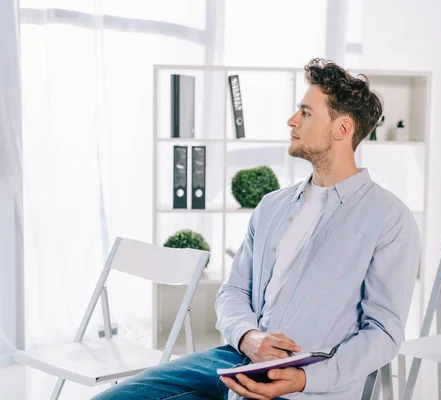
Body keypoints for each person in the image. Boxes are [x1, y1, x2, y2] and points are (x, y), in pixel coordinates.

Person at [93, 58, 421, 400]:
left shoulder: (388, 218)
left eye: (306, 113)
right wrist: (248, 336)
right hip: (236, 358)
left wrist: (304, 380)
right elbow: (232, 291)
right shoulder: (272, 206)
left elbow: (382, 332)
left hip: (305, 382)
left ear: (342, 129)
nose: (292, 121)